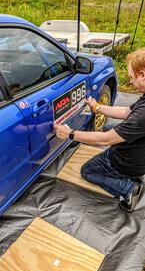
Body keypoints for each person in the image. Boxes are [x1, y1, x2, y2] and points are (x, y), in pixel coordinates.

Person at [54, 48, 145, 212]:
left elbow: (107, 139)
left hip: (128, 162)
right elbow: (126, 112)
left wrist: (70, 134)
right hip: (140, 156)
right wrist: (97, 107)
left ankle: (128, 188)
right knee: (110, 132)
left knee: (87, 171)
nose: (130, 81)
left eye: (131, 77)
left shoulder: (143, 115)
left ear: (143, 75)